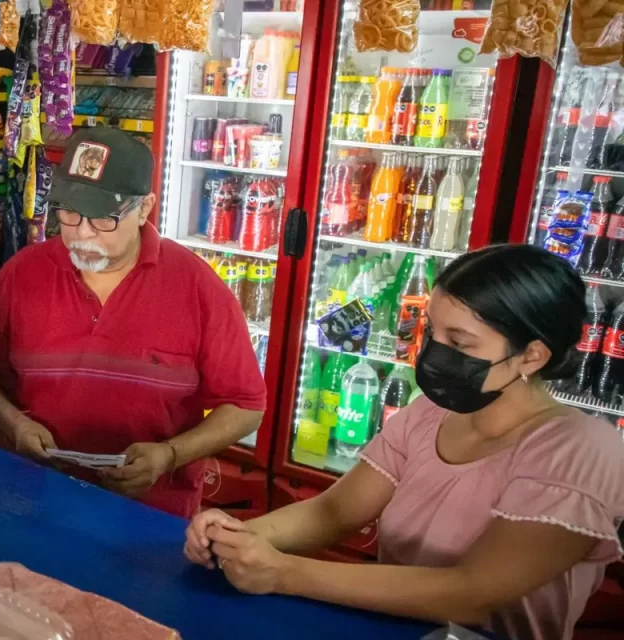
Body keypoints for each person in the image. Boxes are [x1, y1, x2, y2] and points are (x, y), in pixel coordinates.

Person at [185, 244, 624, 640]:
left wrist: (282, 573)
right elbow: (334, 511)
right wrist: (236, 537)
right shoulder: (429, 415)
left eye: (460, 341)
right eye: (432, 331)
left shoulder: (581, 452)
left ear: (532, 355)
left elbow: (473, 592)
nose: (433, 350)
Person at [0, 128, 266, 518]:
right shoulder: (22, 275)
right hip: (34, 499)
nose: (82, 233)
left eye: (103, 218)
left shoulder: (197, 287)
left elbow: (245, 405)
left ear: (143, 208)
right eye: (69, 212)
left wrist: (169, 455)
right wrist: (13, 423)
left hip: (150, 516)